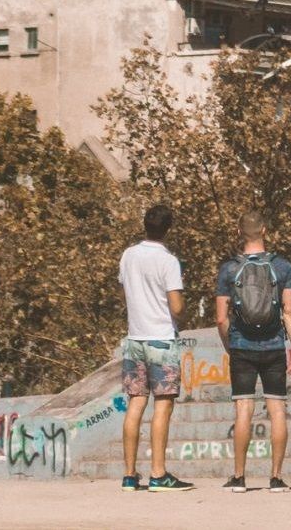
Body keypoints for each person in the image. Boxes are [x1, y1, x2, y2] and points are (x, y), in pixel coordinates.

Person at [215, 211, 291, 493]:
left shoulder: (229, 269)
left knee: (244, 410)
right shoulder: (282, 267)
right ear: (264, 230)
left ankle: (239, 477)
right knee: (277, 410)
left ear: (239, 232)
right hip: (275, 346)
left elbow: (220, 318)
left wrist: (231, 344)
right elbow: (289, 311)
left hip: (242, 346)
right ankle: (276, 478)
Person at [118, 203, 194, 491]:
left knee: (135, 403)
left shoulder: (128, 255)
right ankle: (158, 473)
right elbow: (176, 305)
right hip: (161, 337)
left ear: (145, 225)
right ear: (168, 229)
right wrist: (181, 314)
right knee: (163, 405)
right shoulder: (168, 261)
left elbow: (125, 291)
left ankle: (128, 474)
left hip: (135, 337)